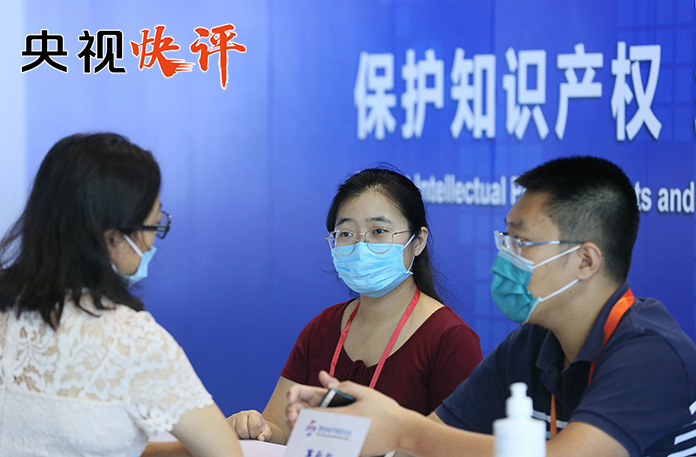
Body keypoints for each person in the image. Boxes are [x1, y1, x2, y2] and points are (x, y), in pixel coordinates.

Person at [285, 156, 696, 457]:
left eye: (522, 242)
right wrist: (343, 426)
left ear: (585, 261)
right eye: (506, 239)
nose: (505, 256)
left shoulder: (651, 352)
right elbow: (432, 442)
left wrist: (400, 428)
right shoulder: (531, 343)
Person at [0, 133, 242, 457]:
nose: (152, 243)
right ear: (112, 238)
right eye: (153, 226)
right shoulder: (134, 340)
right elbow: (225, 453)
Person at [229, 168, 483, 444]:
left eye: (379, 231)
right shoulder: (322, 328)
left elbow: (461, 446)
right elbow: (280, 429)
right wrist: (257, 429)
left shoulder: (451, 340)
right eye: (347, 233)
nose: (361, 247)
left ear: (418, 241)